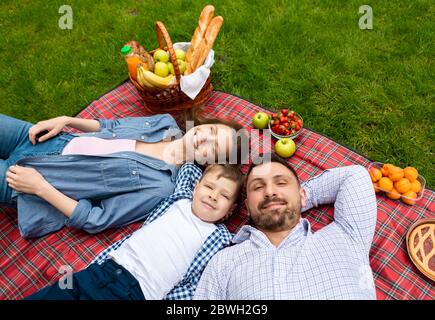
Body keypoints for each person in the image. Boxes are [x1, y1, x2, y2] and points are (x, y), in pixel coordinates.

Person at [0, 112, 246, 238]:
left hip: (28, 180)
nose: (205, 137)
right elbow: (111, 127)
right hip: (44, 140)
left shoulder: (161, 187)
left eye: (213, 147)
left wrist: (39, 187)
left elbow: (97, 219)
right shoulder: (164, 122)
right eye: (212, 130)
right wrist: (66, 120)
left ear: (209, 163)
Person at [26, 162, 244, 300]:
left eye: (224, 196)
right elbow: (188, 168)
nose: (213, 196)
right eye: (209, 187)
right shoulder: (180, 198)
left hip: (137, 293)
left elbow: (200, 283)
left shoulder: (220, 238)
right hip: (102, 271)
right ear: (196, 187)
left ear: (229, 211)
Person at [194, 153, 378, 300]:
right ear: (248, 207)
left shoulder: (346, 234)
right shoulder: (224, 262)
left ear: (303, 195)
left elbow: (356, 176)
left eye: (281, 183)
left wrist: (296, 200)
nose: (270, 191)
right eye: (258, 187)